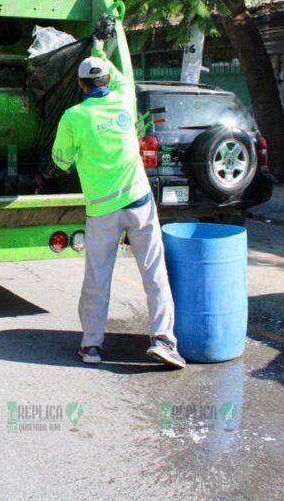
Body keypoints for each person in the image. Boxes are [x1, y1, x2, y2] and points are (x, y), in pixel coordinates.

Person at [51, 39, 186, 369]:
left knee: (98, 280)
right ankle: (164, 341)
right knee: (155, 274)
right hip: (138, 203)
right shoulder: (126, 100)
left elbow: (60, 159)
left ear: (81, 85)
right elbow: (123, 78)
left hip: (102, 211)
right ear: (105, 81)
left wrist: (77, 154)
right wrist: (101, 50)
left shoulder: (74, 117)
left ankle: (92, 346)